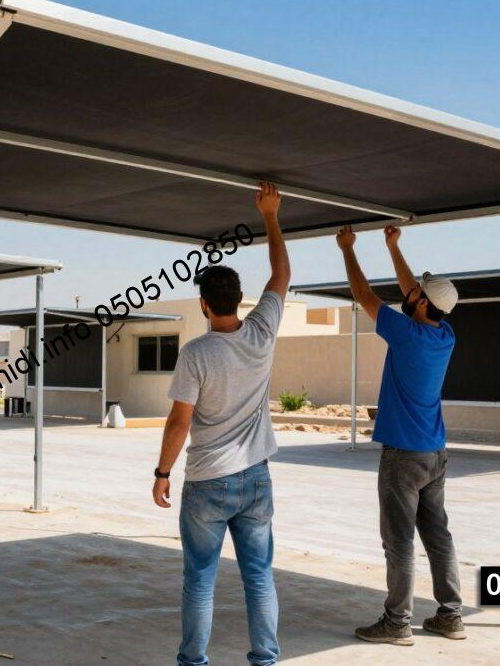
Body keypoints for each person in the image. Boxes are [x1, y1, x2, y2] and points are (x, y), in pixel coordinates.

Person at [152, 181, 290, 666]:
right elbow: (282, 273)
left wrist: (162, 473)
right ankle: (265, 660)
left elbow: (179, 422)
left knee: (199, 581)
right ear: (241, 298)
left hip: (208, 481)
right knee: (259, 577)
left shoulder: (196, 353)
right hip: (256, 479)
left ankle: (193, 662)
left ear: (204, 305)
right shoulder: (263, 330)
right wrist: (270, 215)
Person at [335, 224, 465, 645]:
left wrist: (348, 249)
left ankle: (396, 623)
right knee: (438, 536)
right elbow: (415, 295)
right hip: (435, 455)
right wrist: (393, 247)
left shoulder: (406, 333)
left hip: (403, 458)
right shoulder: (445, 335)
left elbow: (363, 295)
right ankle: (450, 616)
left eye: (417, 294)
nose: (410, 294)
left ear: (423, 303)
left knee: (399, 542)